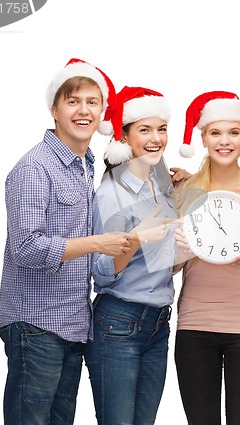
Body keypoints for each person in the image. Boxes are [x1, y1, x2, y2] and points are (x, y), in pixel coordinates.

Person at [0, 58, 138, 425]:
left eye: (92, 102)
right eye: (73, 101)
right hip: (35, 324)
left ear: (102, 111)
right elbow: (26, 248)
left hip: (72, 323)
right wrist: (96, 243)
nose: (83, 110)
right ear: (54, 109)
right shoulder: (35, 167)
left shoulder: (84, 164)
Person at [174, 91, 240, 425]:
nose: (224, 141)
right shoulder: (184, 189)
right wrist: (180, 248)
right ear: (203, 138)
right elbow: (169, 266)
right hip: (194, 324)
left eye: (233, 133)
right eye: (215, 133)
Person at [84, 86, 185, 425]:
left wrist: (184, 252)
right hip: (118, 322)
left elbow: (158, 265)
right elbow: (100, 273)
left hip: (157, 323)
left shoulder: (160, 183)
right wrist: (136, 241)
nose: (156, 138)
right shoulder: (111, 193)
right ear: (124, 137)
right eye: (144, 130)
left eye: (162, 129)